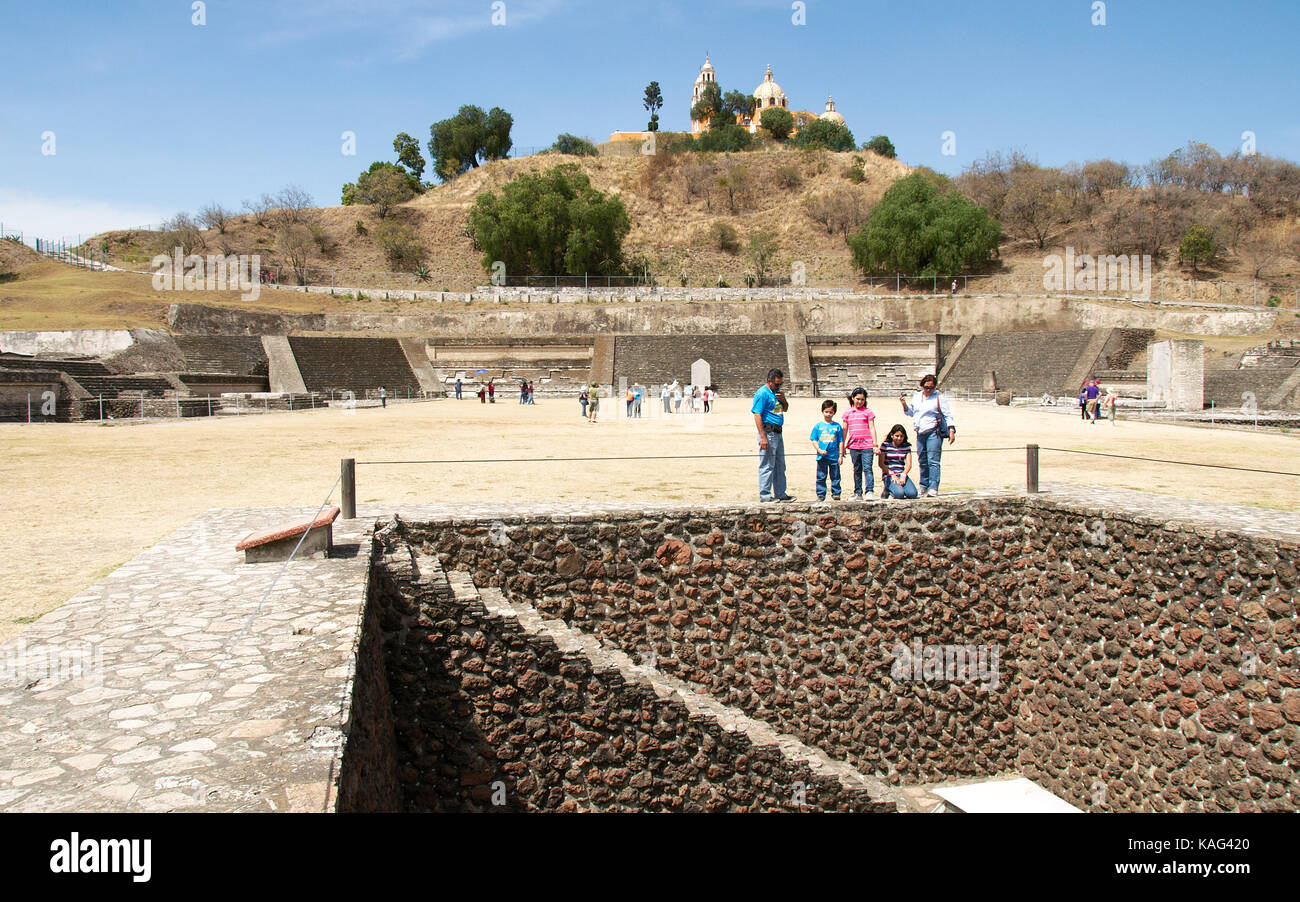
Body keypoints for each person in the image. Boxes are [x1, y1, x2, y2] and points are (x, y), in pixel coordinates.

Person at [900, 374, 955, 497]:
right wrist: (904, 404)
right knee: (922, 460)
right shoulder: (917, 397)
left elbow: (948, 415)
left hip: (933, 432)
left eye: (931, 388)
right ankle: (923, 486)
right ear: (922, 386)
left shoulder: (939, 398)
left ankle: (933, 487)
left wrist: (951, 430)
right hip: (920, 432)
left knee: (933, 461)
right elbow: (911, 412)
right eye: (926, 387)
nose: (928, 390)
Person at [752, 367, 794, 502]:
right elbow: (757, 414)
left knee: (780, 465)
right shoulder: (762, 394)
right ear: (769, 381)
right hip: (768, 432)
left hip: (778, 432)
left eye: (781, 384)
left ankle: (781, 493)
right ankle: (765, 495)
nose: (779, 386)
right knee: (767, 464)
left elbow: (785, 409)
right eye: (777, 384)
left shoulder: (778, 393)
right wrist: (763, 437)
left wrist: (784, 400)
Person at [841, 387, 878, 499]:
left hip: (866, 444)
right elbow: (844, 430)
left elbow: (872, 428)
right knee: (857, 469)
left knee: (867, 468)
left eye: (862, 399)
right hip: (854, 445)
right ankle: (858, 492)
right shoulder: (847, 413)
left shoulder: (868, 412)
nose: (859, 402)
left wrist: (875, 444)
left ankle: (869, 491)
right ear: (853, 398)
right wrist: (842, 447)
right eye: (857, 399)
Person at [809, 399, 845, 501]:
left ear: (834, 413)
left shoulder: (837, 426)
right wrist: (819, 450)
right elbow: (814, 439)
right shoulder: (818, 426)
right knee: (821, 476)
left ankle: (836, 493)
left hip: (834, 457)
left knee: (835, 477)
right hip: (822, 457)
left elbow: (841, 441)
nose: (828, 414)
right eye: (826, 412)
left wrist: (841, 455)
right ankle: (821, 494)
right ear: (822, 411)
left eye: (831, 412)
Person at [878, 424, 919, 499]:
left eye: (901, 436)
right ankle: (888, 489)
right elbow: (881, 463)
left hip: (901, 474)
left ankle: (898, 487)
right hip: (889, 474)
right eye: (897, 436)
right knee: (899, 494)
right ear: (892, 435)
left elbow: (909, 464)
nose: (899, 438)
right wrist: (891, 474)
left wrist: (904, 475)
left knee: (913, 494)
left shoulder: (906, 447)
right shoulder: (885, 446)